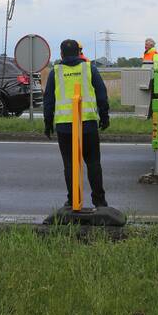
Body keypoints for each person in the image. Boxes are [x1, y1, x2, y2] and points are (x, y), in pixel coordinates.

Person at [43, 39, 111, 208]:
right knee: (93, 163)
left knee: (70, 165)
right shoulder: (89, 68)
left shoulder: (55, 72)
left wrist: (47, 123)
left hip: (65, 127)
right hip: (87, 124)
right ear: (79, 53)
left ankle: (73, 199)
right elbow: (102, 94)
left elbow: (48, 101)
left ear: (61, 54)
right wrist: (104, 116)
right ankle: (99, 201)